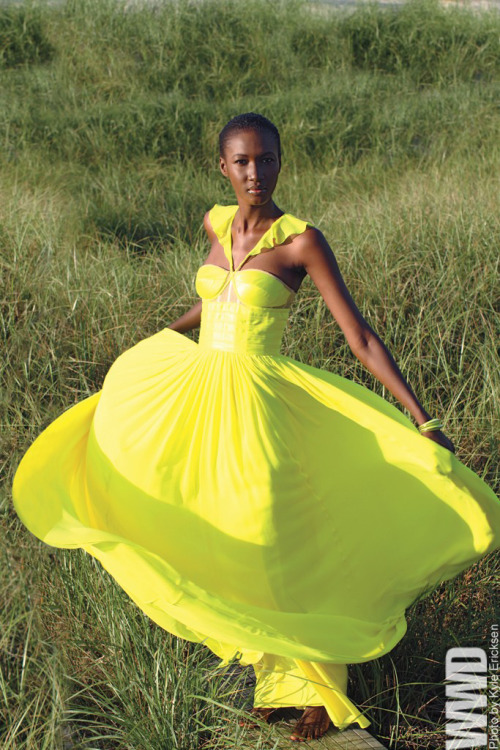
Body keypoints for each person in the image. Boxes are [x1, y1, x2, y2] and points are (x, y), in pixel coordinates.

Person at [11, 112, 500, 743]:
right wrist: (166, 336)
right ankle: (277, 677)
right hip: (200, 395)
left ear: (280, 163)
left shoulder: (301, 241)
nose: (255, 173)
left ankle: (325, 692)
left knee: (279, 545)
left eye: (267, 160)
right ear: (222, 166)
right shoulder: (216, 223)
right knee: (225, 536)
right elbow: (215, 300)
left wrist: (421, 415)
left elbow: (359, 335)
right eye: (242, 161)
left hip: (261, 407)